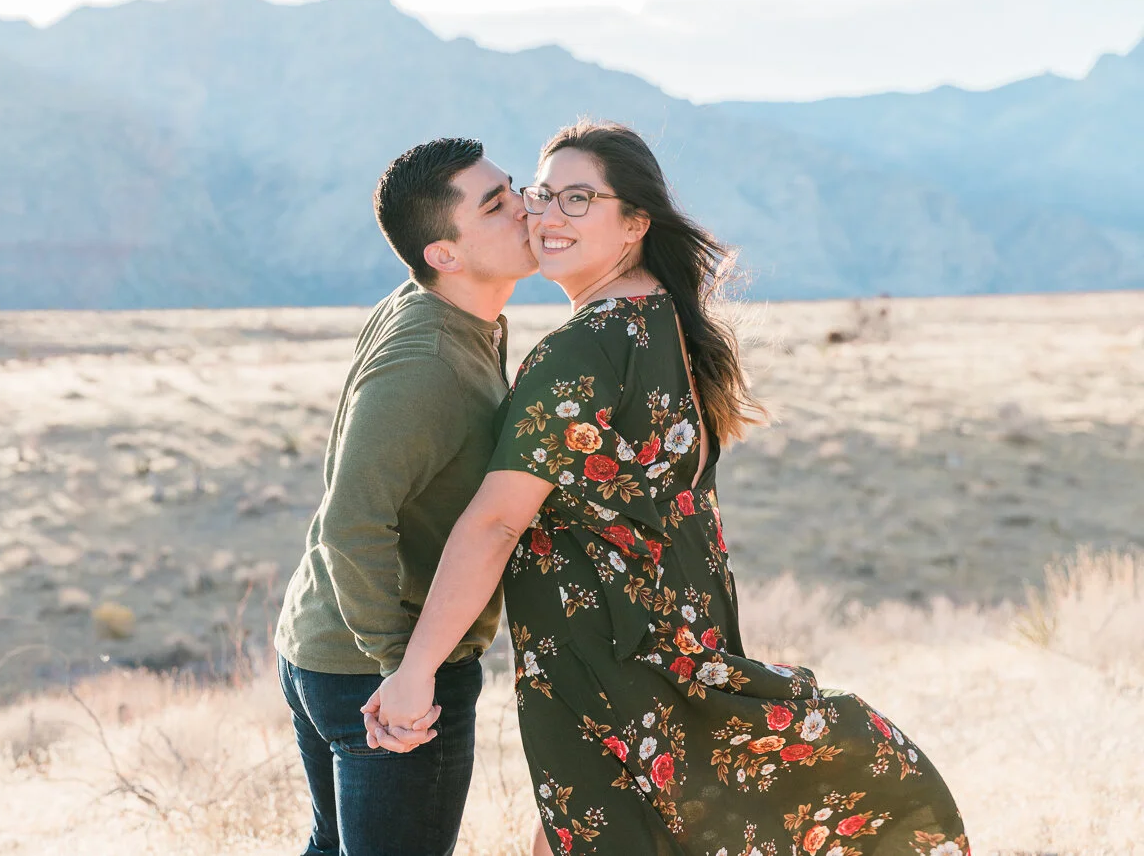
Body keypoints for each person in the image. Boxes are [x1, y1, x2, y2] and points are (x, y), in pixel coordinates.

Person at [365, 121, 971, 856]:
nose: (547, 216)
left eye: (580, 199)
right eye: (543, 192)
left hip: (610, 658)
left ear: (634, 222)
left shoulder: (582, 347)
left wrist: (415, 670)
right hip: (669, 636)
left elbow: (495, 523)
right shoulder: (662, 319)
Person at [273, 136, 539, 856]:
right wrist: (401, 667)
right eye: (495, 205)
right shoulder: (427, 360)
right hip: (377, 666)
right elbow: (351, 521)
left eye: (512, 188)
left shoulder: (448, 314)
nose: (525, 208)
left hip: (333, 647)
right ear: (443, 254)